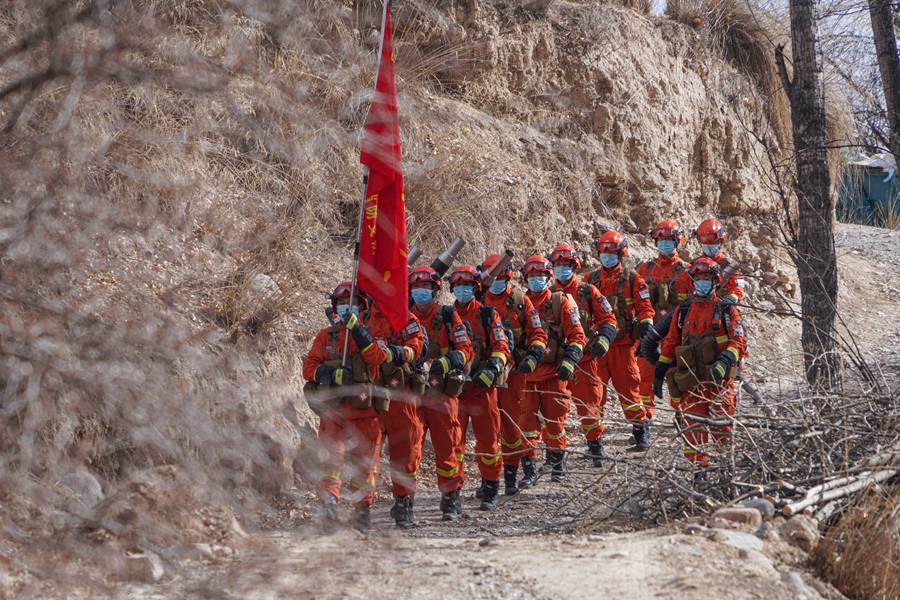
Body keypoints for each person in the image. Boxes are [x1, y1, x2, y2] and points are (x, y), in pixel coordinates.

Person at [302, 282, 388, 533]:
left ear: (362, 308)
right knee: (331, 459)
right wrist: (329, 373)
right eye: (341, 304)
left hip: (365, 412)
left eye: (351, 304)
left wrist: (359, 333)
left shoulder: (372, 334)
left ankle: (362, 511)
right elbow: (308, 368)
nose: (346, 308)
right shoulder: (326, 336)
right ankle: (328, 505)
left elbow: (378, 358)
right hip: (333, 411)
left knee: (364, 464)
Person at [653, 258, 746, 468]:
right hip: (692, 384)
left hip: (719, 383)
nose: (702, 283)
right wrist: (659, 372)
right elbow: (671, 342)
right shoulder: (683, 311)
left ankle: (726, 471)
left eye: (706, 279)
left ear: (715, 282)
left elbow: (738, 340)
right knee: (693, 431)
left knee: (723, 429)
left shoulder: (726, 310)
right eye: (698, 279)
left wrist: (724, 360)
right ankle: (699, 474)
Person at [480, 253, 548, 495]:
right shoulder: (479, 301)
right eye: (492, 277)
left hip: (513, 373)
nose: (496, 281)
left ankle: (510, 475)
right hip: (485, 372)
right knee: (486, 427)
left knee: (512, 423)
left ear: (507, 276)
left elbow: (538, 333)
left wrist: (532, 357)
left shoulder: (520, 300)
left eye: (500, 276)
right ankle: (487, 479)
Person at [409, 265, 472, 520]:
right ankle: (404, 501)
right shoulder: (402, 317)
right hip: (412, 394)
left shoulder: (448, 316)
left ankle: (451, 498)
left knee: (448, 447)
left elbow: (466, 348)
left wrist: (446, 362)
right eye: (416, 288)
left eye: (425, 288)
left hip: (442, 394)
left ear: (435, 291)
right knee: (410, 449)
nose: (420, 292)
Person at [549, 244, 618, 467]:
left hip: (585, 360)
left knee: (590, 406)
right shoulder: (547, 295)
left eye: (566, 265)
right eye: (557, 265)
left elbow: (608, 319)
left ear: (574, 266)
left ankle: (595, 445)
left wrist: (604, 338)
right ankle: (553, 455)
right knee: (553, 410)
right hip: (557, 364)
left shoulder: (587, 291)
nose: (562, 269)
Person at [449, 265, 510, 510]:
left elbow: (501, 346)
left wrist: (493, 368)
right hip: (454, 391)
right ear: (452, 288)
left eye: (467, 286)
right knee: (454, 443)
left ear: (475, 288)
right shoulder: (445, 316)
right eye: (458, 286)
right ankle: (453, 491)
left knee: (488, 442)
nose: (462, 290)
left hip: (483, 389)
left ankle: (491, 487)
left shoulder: (487, 315)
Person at [520, 255, 586, 483]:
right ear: (525, 279)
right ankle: (528, 470)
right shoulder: (520, 302)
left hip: (553, 373)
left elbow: (577, 335)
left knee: (555, 421)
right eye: (532, 276)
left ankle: (557, 464)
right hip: (525, 375)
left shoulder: (561, 302)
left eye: (541, 276)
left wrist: (570, 360)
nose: (536, 280)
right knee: (526, 423)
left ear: (549, 277)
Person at [586, 230, 655, 450]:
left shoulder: (632, 278)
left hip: (623, 345)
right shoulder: (590, 280)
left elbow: (645, 307)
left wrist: (646, 325)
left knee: (629, 390)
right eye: (603, 253)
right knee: (594, 393)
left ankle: (640, 432)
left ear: (621, 253)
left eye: (611, 253)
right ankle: (594, 443)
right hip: (597, 347)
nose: (607, 257)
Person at [369, 303, 425, 529]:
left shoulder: (408, 319)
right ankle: (362, 508)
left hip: (401, 396)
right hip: (371, 395)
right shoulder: (362, 318)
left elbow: (416, 347)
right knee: (367, 452)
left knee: (405, 452)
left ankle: (404, 504)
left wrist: (398, 353)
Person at [635, 221, 691, 421]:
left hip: (677, 336)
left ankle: (683, 416)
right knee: (644, 380)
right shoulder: (644, 269)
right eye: (661, 240)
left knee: (680, 379)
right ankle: (644, 422)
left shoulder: (688, 271)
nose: (665, 244)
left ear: (677, 241)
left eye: (669, 240)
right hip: (651, 335)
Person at [675, 218, 745, 305]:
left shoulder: (729, 266)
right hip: (696, 310)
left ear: (720, 241)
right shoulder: (694, 265)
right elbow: (681, 286)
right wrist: (684, 301)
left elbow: (739, 285)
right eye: (704, 239)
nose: (708, 243)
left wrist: (734, 296)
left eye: (711, 240)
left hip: (721, 309)